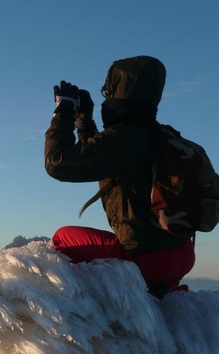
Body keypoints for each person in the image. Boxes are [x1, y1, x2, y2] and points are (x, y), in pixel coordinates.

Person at [44, 55, 195, 298]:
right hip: (182, 254)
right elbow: (99, 159)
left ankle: (102, 299)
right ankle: (165, 286)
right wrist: (84, 121)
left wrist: (63, 112)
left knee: (63, 237)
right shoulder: (162, 136)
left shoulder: (127, 138)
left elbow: (58, 163)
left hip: (148, 261)